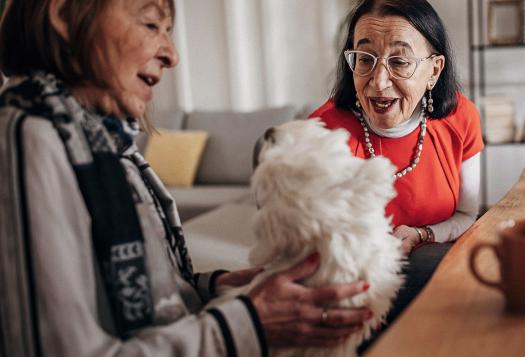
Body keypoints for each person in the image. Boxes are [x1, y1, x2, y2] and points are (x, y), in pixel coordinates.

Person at [0, 1, 372, 356]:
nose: (171, 55)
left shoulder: (110, 146)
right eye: (150, 25)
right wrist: (247, 323)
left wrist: (216, 288)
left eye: (168, 31)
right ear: (65, 14)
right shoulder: (28, 136)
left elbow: (148, 295)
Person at [309, 0, 484, 336]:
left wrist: (422, 235)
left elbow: (467, 215)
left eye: (400, 61)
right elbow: (314, 245)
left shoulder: (461, 118)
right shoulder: (323, 132)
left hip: (434, 273)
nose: (378, 82)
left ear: (434, 70)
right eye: (365, 59)